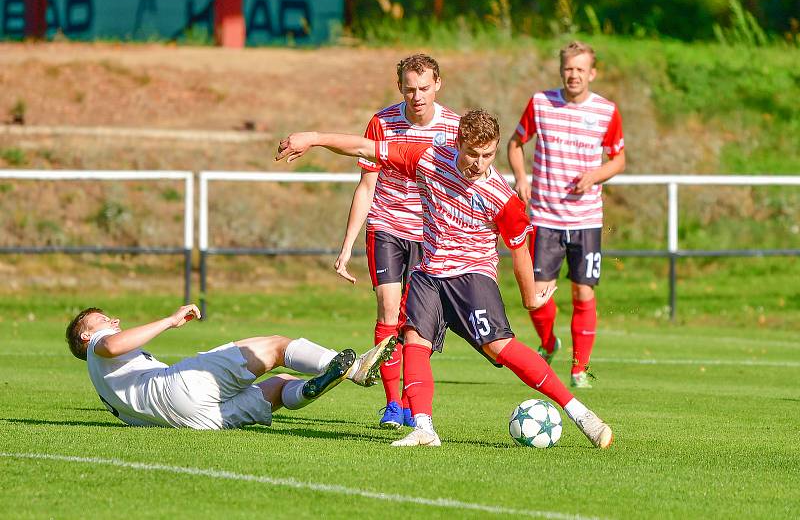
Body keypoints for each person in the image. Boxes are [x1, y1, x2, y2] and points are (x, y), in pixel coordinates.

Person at [276, 109, 614, 449]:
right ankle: (424, 428)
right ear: (457, 143)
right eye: (472, 153)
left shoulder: (503, 199)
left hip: (471, 276)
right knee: (415, 341)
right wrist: (314, 138)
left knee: (500, 348)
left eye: (487, 155)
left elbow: (520, 251)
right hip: (429, 273)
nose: (478, 164)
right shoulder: (427, 158)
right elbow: (367, 148)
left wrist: (530, 298)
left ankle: (580, 413)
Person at [334, 53, 460, 429]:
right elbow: (367, 186)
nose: (417, 96)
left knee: (415, 324)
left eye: (423, 88)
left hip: (431, 233)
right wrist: (346, 249)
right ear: (400, 87)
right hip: (386, 227)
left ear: (438, 83)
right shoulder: (382, 122)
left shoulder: (454, 128)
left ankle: (410, 401)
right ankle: (392, 405)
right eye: (409, 89)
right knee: (388, 311)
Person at [65, 304, 396, 430]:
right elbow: (111, 344)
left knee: (280, 386)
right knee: (276, 346)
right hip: (178, 387)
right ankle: (356, 370)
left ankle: (312, 386)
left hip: (193, 422)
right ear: (86, 332)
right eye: (104, 319)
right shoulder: (98, 344)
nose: (114, 320)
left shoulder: (105, 391)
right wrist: (169, 319)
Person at [507, 41, 626, 388]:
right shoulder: (541, 103)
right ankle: (548, 343)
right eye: (568, 69)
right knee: (536, 296)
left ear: (592, 73)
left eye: (580, 69)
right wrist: (521, 178)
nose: (573, 75)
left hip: (586, 219)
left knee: (583, 293)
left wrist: (595, 175)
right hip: (545, 218)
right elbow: (516, 143)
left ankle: (578, 369)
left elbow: (618, 159)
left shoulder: (606, 111)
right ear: (562, 71)